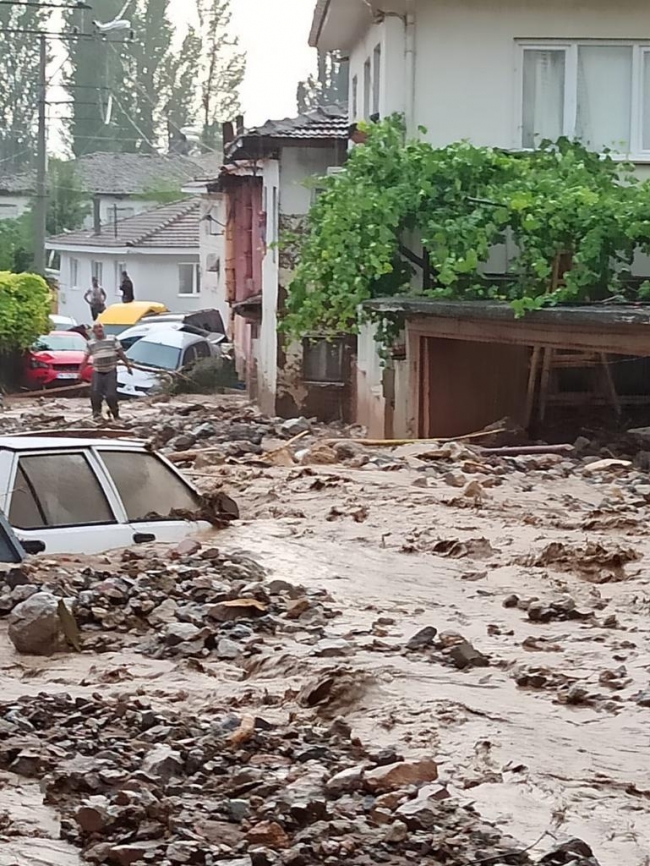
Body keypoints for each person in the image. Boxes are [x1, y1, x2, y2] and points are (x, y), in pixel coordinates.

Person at [81, 322, 133, 421]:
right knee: (95, 393)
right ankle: (96, 414)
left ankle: (116, 414)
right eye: (96, 327)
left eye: (100, 327)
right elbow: (85, 358)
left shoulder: (112, 339)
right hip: (98, 370)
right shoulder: (90, 343)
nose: (99, 329)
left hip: (111, 369)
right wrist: (80, 372)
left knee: (111, 395)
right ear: (94, 331)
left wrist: (128, 366)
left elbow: (121, 353)